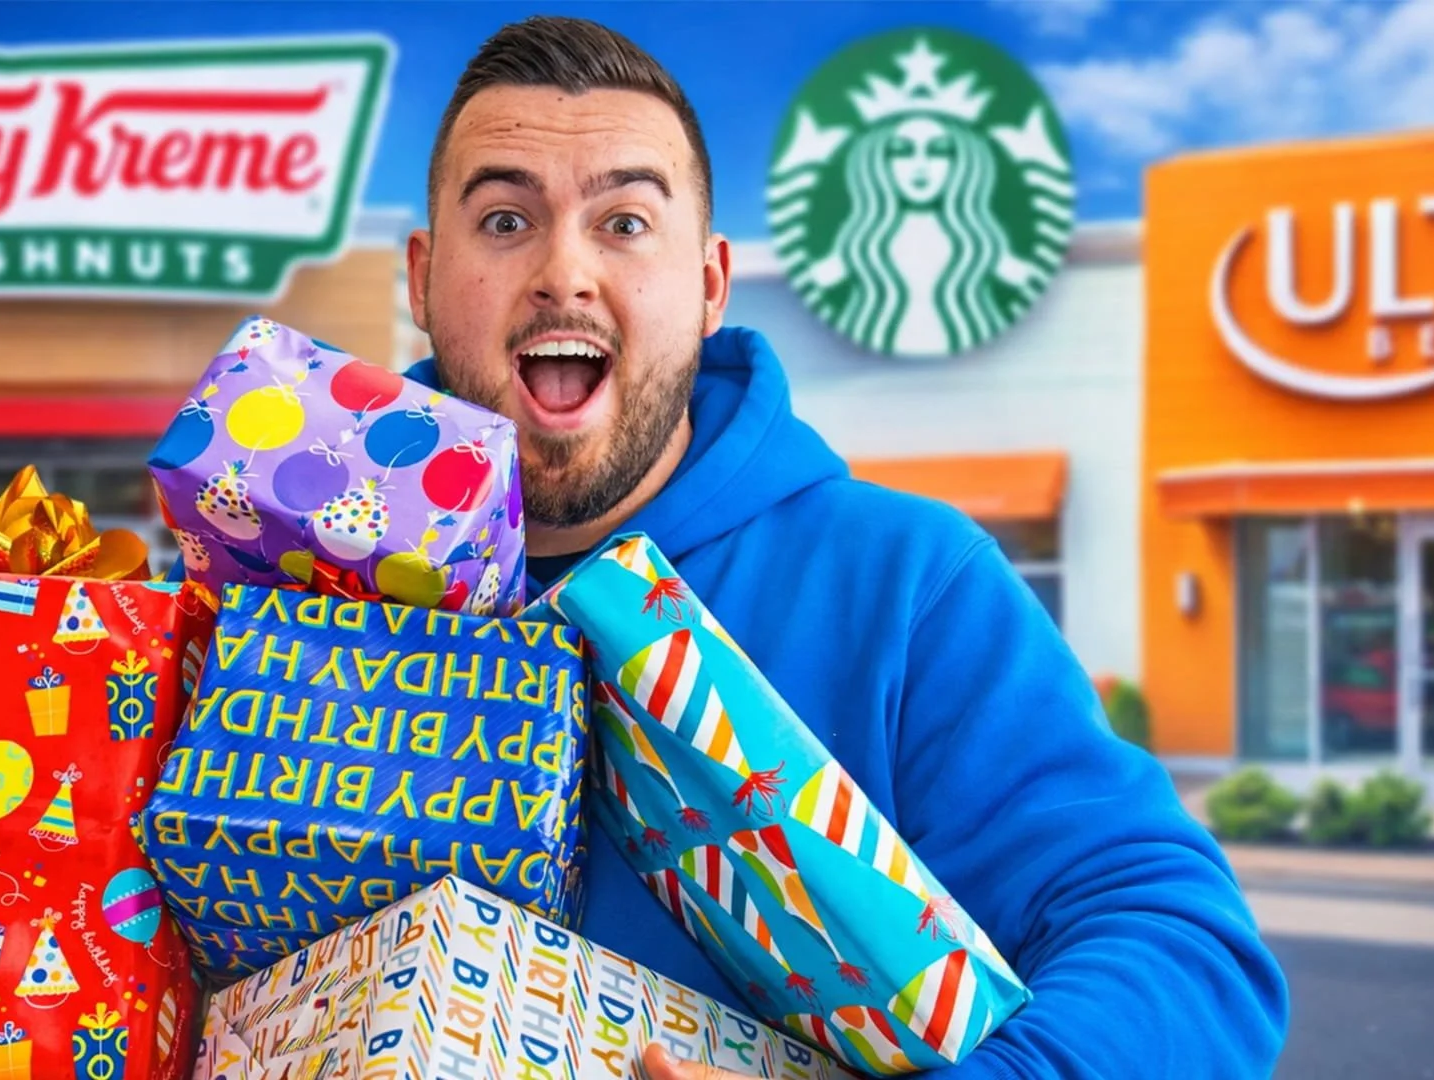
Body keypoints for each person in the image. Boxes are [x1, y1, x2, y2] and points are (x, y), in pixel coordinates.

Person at [404, 15, 1289, 1079]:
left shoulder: (910, 587)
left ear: (711, 284)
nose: (564, 273)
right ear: (420, 277)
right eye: (504, 220)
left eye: (626, 223)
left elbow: (1184, 955)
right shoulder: (285, 589)